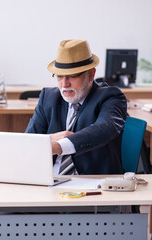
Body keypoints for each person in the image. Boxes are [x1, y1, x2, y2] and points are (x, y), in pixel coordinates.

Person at [25, 39, 127, 175]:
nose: (64, 84)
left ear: (91, 74)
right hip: (49, 180)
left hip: (93, 184)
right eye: (59, 76)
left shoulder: (110, 97)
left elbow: (104, 129)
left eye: (72, 76)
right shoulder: (48, 98)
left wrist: (59, 146)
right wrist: (52, 139)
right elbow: (28, 141)